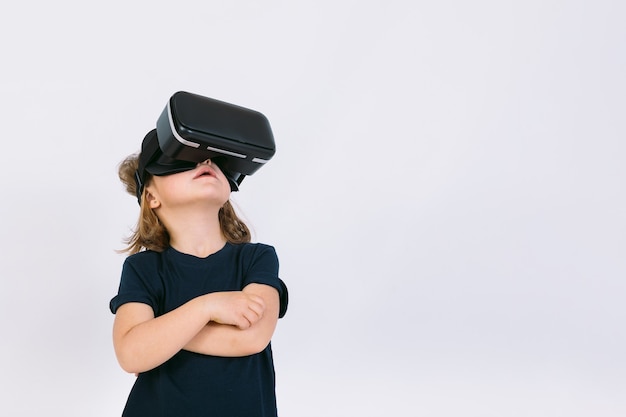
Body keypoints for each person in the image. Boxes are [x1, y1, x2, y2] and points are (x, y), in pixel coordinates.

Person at [109, 129, 288, 417]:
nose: (204, 160)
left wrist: (160, 338)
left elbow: (252, 337)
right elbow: (131, 355)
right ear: (151, 196)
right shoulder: (143, 269)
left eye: (215, 159)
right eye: (181, 158)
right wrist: (209, 306)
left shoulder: (257, 259)